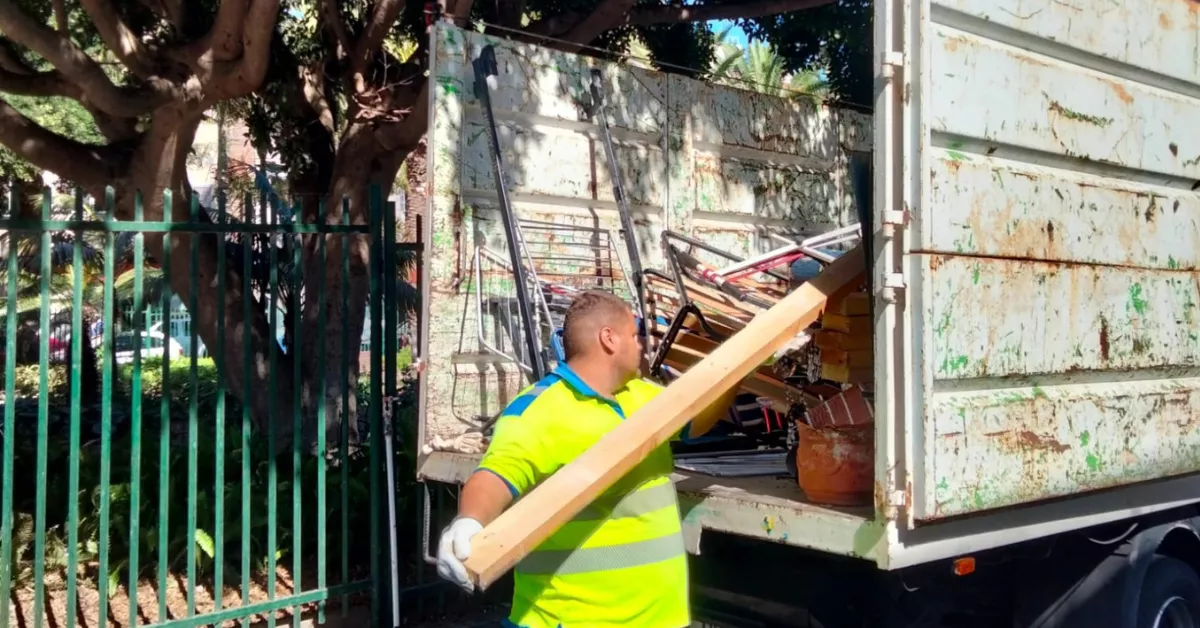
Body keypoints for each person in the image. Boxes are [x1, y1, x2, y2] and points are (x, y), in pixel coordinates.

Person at [436, 289, 741, 628]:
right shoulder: (541, 410)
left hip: (662, 620)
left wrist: (739, 370)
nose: (641, 345)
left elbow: (695, 423)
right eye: (634, 334)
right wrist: (469, 521)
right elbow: (494, 476)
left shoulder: (643, 395)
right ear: (608, 339)